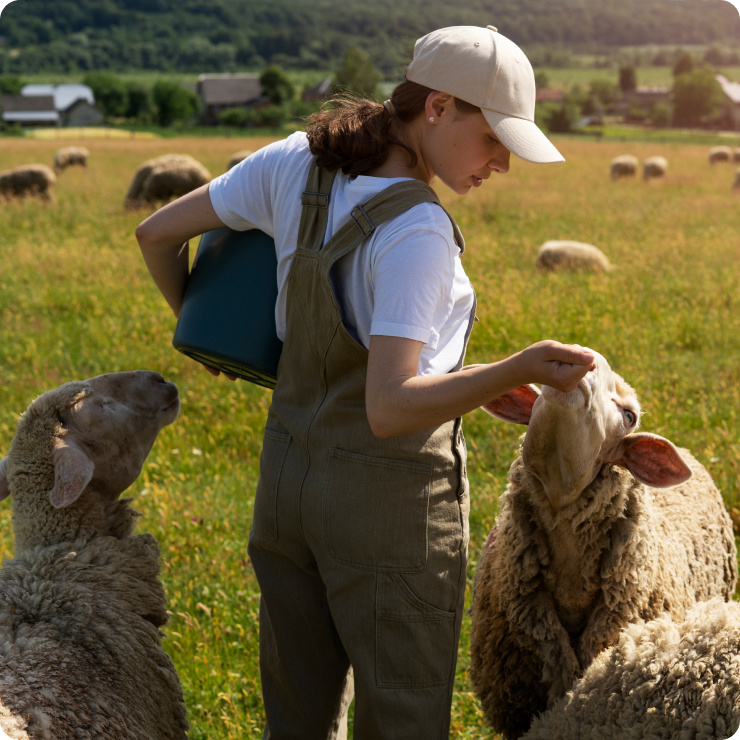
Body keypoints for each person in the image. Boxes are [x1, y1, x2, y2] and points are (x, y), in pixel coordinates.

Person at [136, 24, 595, 740]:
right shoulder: (418, 231)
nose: (502, 161)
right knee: (402, 722)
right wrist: (520, 365)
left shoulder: (295, 160)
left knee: (298, 719)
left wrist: (220, 339)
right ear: (438, 108)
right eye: (494, 138)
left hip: (287, 482)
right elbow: (389, 406)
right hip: (385, 510)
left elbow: (156, 235)